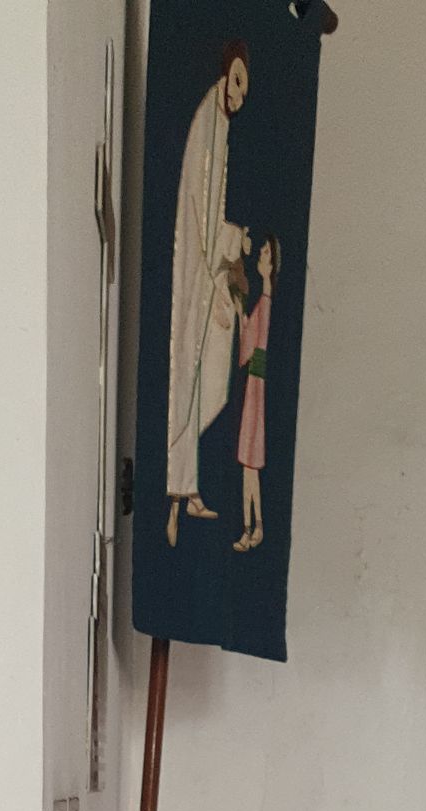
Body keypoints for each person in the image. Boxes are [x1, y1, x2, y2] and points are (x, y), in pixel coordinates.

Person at [166, 41, 250, 547]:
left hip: (210, 271)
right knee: (189, 382)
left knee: (207, 385)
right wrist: (233, 244)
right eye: (237, 83)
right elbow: (200, 215)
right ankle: (177, 495)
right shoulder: (207, 125)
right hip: (198, 276)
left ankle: (188, 489)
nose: (239, 96)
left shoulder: (221, 127)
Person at [233, 234, 279, 552]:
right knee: (248, 466)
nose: (260, 257)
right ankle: (251, 526)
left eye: (264, 253)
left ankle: (253, 527)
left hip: (256, 387)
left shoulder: (266, 297)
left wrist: (241, 315)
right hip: (254, 385)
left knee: (250, 464)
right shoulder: (264, 299)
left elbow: (251, 347)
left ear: (271, 263)